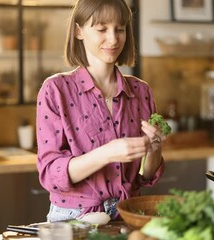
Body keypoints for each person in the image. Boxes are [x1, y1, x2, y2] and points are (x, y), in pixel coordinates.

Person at [36, 0, 166, 222]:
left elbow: (145, 176)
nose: (114, 39)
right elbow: (51, 174)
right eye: (102, 29)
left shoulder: (141, 91)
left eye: (120, 29)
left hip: (127, 214)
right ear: (79, 31)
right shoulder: (56, 90)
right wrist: (107, 153)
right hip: (73, 219)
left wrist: (154, 149)